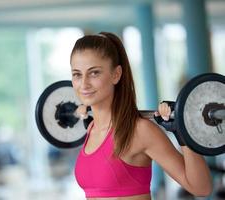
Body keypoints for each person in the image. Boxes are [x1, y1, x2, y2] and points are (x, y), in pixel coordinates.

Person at [70, 32, 212, 200]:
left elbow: (201, 188)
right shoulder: (91, 129)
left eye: (94, 73)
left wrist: (183, 132)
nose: (84, 83)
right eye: (77, 74)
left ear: (116, 74)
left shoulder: (139, 130)